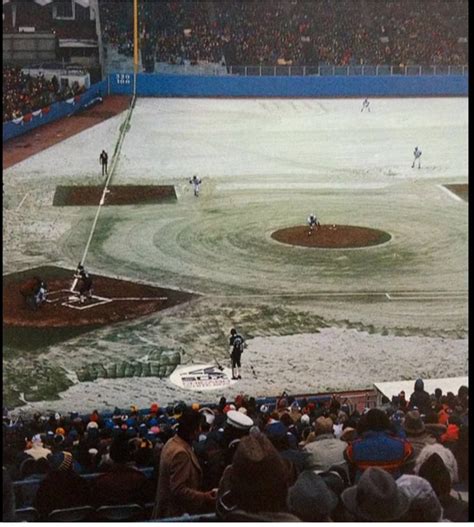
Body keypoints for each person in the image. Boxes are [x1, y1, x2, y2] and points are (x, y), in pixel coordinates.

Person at [152, 407, 217, 519]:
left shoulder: (171, 443)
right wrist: (204, 496)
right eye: (199, 426)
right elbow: (178, 489)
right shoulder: (180, 454)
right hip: (175, 515)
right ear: (194, 430)